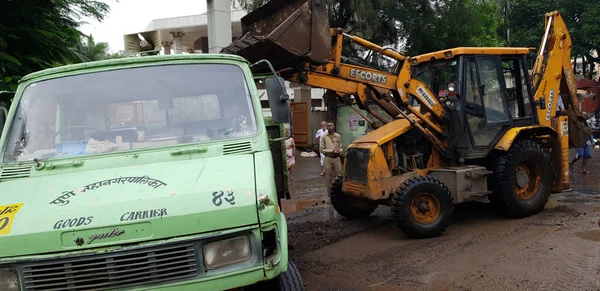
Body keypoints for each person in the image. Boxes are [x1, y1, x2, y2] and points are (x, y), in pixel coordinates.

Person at [320, 121, 343, 194]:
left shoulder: (338, 136)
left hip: (337, 159)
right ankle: (330, 195)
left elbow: (341, 146)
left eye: (331, 125)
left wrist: (340, 151)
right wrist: (332, 151)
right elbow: (321, 150)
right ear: (326, 127)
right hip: (328, 158)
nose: (329, 127)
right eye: (328, 125)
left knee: (338, 177)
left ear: (334, 126)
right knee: (328, 178)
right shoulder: (324, 137)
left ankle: (338, 195)